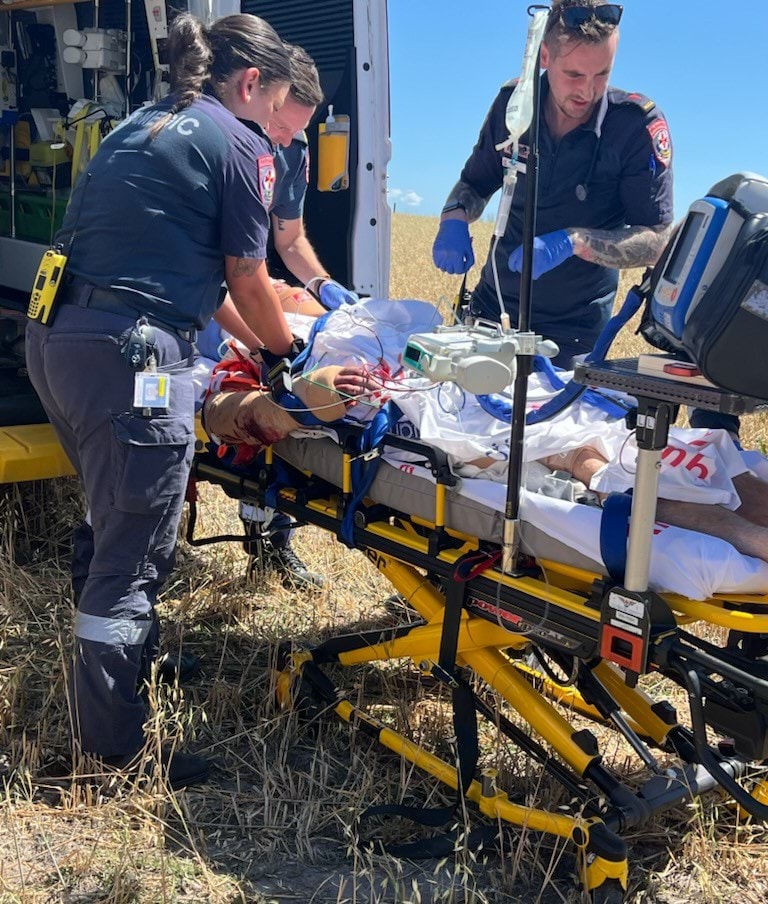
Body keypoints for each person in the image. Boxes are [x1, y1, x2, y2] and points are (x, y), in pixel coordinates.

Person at [23, 13, 365, 789]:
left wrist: (264, 340)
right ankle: (111, 755)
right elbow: (247, 279)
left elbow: (204, 288)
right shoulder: (241, 147)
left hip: (60, 342)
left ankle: (122, 659)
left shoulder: (150, 124)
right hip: (131, 359)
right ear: (253, 87)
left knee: (110, 521)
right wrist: (290, 357)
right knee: (136, 549)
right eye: (282, 114)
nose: (282, 140)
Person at [432, 0, 674, 369]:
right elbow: (475, 183)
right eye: (574, 75)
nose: (587, 92)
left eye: (602, 75)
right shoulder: (514, 106)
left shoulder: (634, 127)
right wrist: (454, 216)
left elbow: (656, 240)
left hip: (570, 335)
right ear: (545, 56)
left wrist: (573, 242)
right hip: (490, 311)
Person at [206, 43, 358, 586]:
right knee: (240, 392)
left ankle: (273, 537)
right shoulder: (223, 143)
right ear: (261, 98)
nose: (290, 141)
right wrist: (263, 342)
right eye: (284, 129)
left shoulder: (290, 150)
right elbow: (220, 278)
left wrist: (320, 284)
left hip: (248, 284)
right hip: (211, 294)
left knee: (294, 391)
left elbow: (288, 240)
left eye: (300, 132)